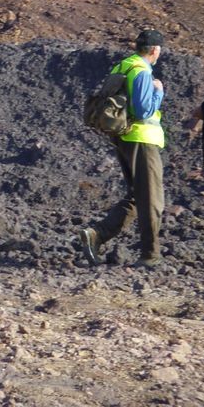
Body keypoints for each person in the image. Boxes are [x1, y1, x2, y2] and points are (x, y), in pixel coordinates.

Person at [79, 29, 166, 269]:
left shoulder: (123, 66)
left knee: (138, 196)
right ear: (155, 50)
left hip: (124, 138)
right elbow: (143, 110)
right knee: (152, 198)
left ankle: (97, 235)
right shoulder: (141, 71)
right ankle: (150, 255)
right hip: (142, 139)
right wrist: (158, 92)